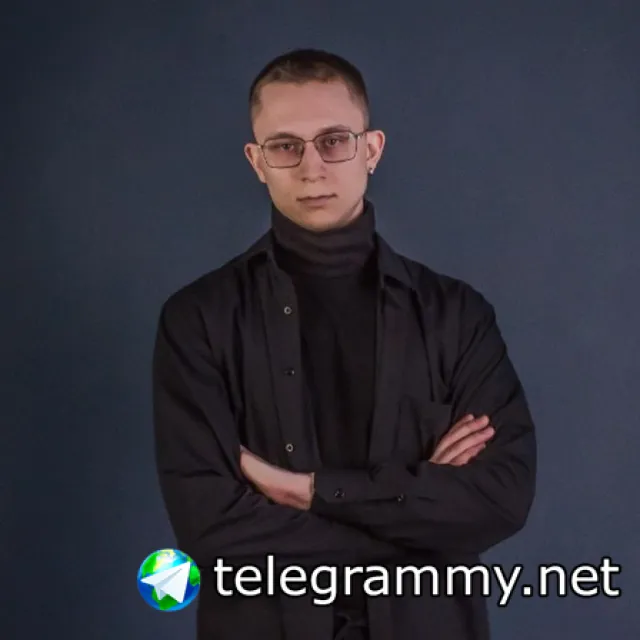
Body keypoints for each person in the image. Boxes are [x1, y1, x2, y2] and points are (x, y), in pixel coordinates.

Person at [152, 48, 537, 640]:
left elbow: (500, 499)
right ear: (257, 162)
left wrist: (309, 493)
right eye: (286, 146)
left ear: (372, 150)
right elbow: (212, 529)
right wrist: (414, 513)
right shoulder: (198, 319)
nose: (312, 168)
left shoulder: (457, 315)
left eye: (334, 141)